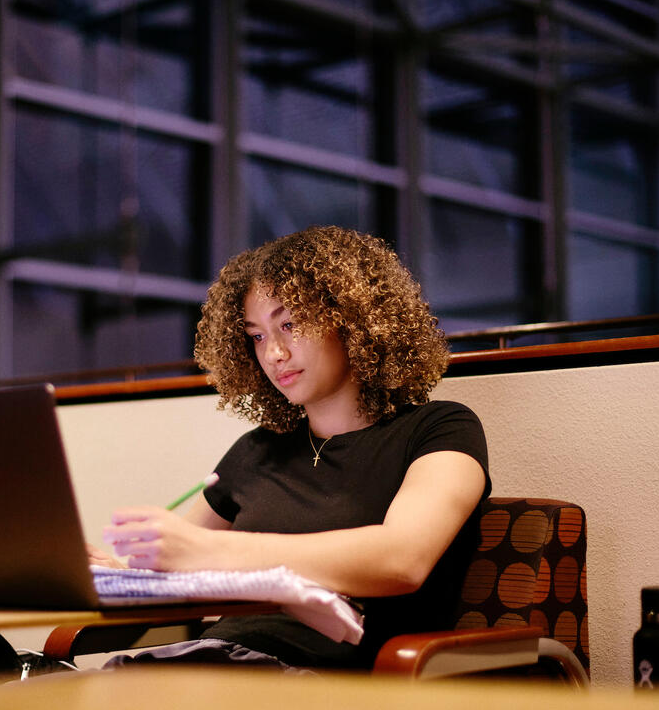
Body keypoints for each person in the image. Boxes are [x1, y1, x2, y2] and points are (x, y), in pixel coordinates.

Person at [96, 226, 489, 670]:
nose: (274, 353)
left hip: (322, 686)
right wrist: (110, 575)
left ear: (352, 318)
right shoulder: (257, 451)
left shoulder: (439, 429)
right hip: (212, 661)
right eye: (258, 336)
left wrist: (209, 552)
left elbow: (402, 559)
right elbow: (175, 567)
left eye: (290, 324)